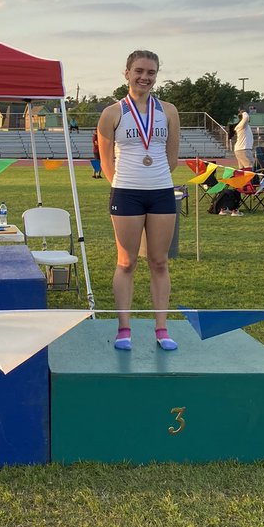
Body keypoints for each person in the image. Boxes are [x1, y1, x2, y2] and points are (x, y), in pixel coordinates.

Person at [97, 49, 181, 352]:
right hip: (126, 193)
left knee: (159, 262)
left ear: (156, 75)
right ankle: (124, 328)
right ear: (127, 73)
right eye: (139, 71)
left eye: (151, 72)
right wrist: (124, 184)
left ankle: (161, 328)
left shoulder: (169, 111)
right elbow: (105, 160)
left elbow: (171, 156)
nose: (145, 77)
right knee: (126, 261)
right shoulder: (112, 113)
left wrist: (153, 178)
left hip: (161, 192)